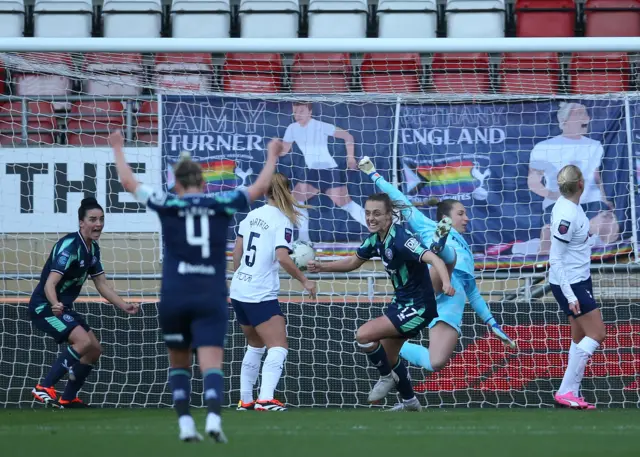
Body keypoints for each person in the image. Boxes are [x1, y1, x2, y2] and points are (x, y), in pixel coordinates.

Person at [110, 131, 279, 441]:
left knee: (180, 362)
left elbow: (129, 184)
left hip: (175, 296)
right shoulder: (220, 202)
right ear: (204, 184)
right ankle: (214, 418)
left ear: (176, 184)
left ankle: (186, 423)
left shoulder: (168, 202)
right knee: (211, 361)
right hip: (209, 296)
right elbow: (260, 187)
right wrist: (272, 155)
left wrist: (118, 149)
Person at [358, 157, 515, 375]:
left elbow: (474, 294)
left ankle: (396, 345)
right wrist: (373, 174)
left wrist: (493, 324)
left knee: (436, 362)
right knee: (445, 260)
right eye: (461, 213)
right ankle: (439, 248)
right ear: (445, 217)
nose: (467, 218)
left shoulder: (469, 253)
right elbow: (399, 199)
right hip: (435, 279)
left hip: (452, 296)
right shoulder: (427, 224)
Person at [308, 193, 455, 411]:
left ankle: (386, 377)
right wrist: (322, 267)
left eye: (377, 213)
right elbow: (353, 262)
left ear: (389, 216)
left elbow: (433, 258)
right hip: (402, 304)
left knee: (364, 335)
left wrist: (445, 282)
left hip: (418, 307)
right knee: (389, 355)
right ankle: (410, 402)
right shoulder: (375, 240)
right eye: (367, 213)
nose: (371, 218)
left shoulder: (402, 239)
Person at [29, 197, 139, 408]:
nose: (98, 224)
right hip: (45, 307)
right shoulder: (69, 247)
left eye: (101, 219)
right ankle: (44, 387)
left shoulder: (93, 249)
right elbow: (49, 284)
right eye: (92, 219)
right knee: (84, 343)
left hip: (62, 307)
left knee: (94, 350)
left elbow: (101, 284)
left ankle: (68, 398)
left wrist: (123, 305)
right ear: (81, 222)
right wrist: (54, 304)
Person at [230, 173, 317, 412]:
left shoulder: (251, 216)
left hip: (239, 289)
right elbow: (283, 257)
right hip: (260, 292)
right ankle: (266, 399)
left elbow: (236, 254)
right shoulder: (282, 220)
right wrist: (304, 280)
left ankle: (245, 400)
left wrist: (243, 277)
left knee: (255, 345)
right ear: (287, 191)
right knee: (278, 346)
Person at [549, 165, 606, 410]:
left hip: (578, 278)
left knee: (580, 335)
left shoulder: (570, 207)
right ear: (581, 184)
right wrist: (571, 295)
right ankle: (566, 391)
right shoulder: (567, 214)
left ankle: (570, 392)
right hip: (570, 283)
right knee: (597, 333)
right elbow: (555, 258)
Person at [528, 102, 619, 254]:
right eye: (579, 114)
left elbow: (597, 177)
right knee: (551, 235)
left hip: (591, 202)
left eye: (586, 114)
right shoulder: (544, 147)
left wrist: (605, 200)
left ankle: (599, 263)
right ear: (564, 121)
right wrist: (553, 195)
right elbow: (533, 180)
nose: (586, 118)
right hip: (559, 202)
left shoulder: (595, 146)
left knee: (610, 225)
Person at [281, 101, 367, 242]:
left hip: (328, 171)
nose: (297, 115)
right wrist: (274, 149)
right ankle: (304, 241)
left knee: (347, 205)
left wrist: (350, 157)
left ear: (310, 112)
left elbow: (348, 137)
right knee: (296, 202)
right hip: (312, 172)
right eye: (295, 111)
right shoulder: (292, 128)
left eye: (301, 111)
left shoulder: (320, 126)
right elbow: (284, 151)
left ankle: (380, 231)